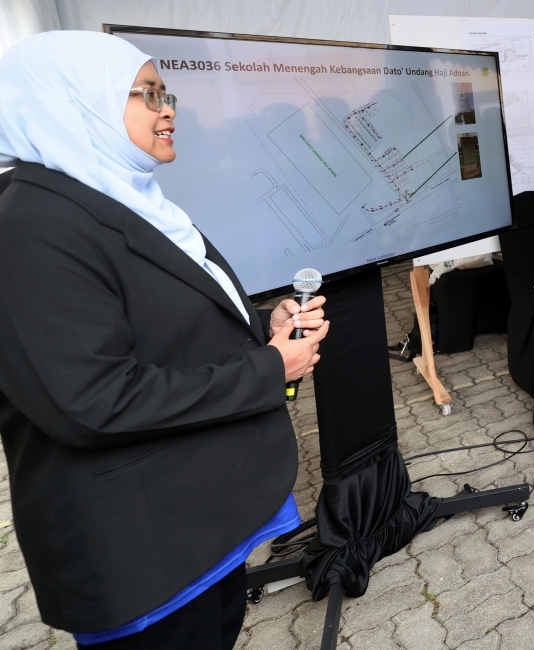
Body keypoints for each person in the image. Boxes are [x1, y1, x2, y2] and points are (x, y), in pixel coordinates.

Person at [0, 31, 330, 647]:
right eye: (147, 95)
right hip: (142, 552)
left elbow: (170, 324)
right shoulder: (29, 230)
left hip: (197, 523)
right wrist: (269, 368)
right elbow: (94, 401)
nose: (168, 109)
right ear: (76, 103)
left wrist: (265, 327)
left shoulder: (128, 199)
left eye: (165, 92)